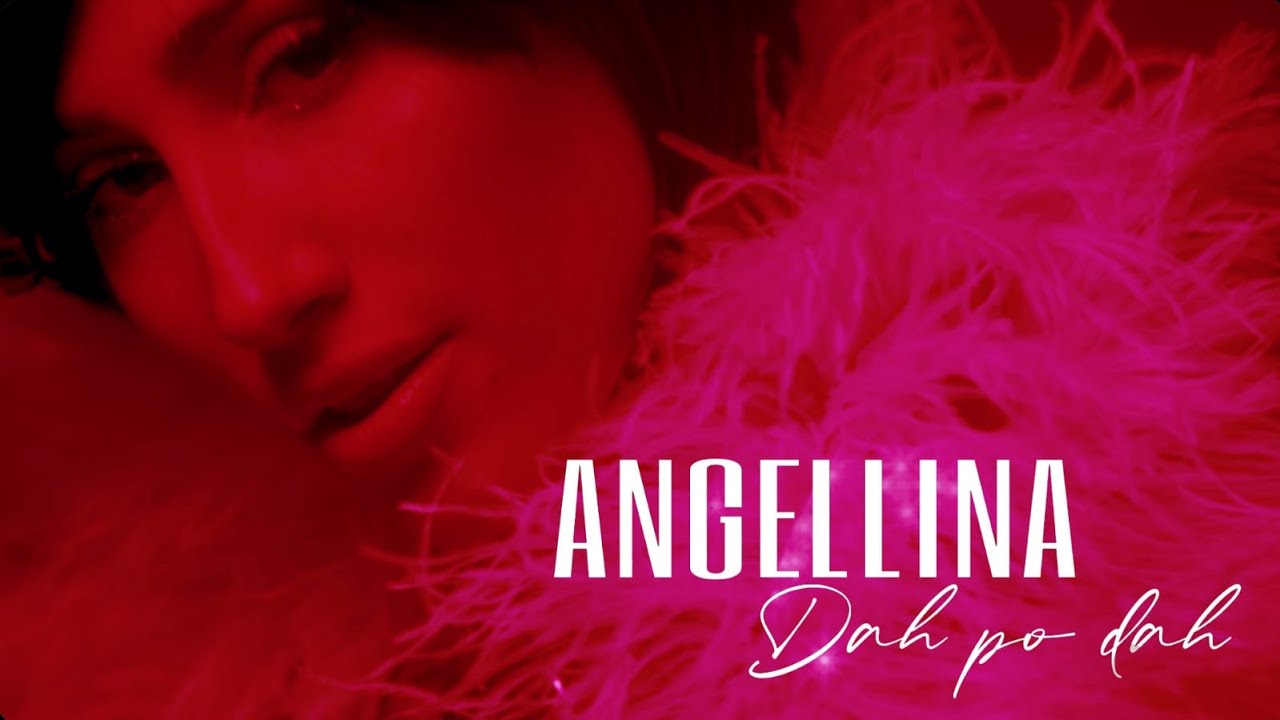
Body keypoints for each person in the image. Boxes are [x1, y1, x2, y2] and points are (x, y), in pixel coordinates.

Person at [3, 1, 1279, 718]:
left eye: (304, 54)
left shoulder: (1130, 596)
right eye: (123, 180)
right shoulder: (212, 653)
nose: (247, 293)